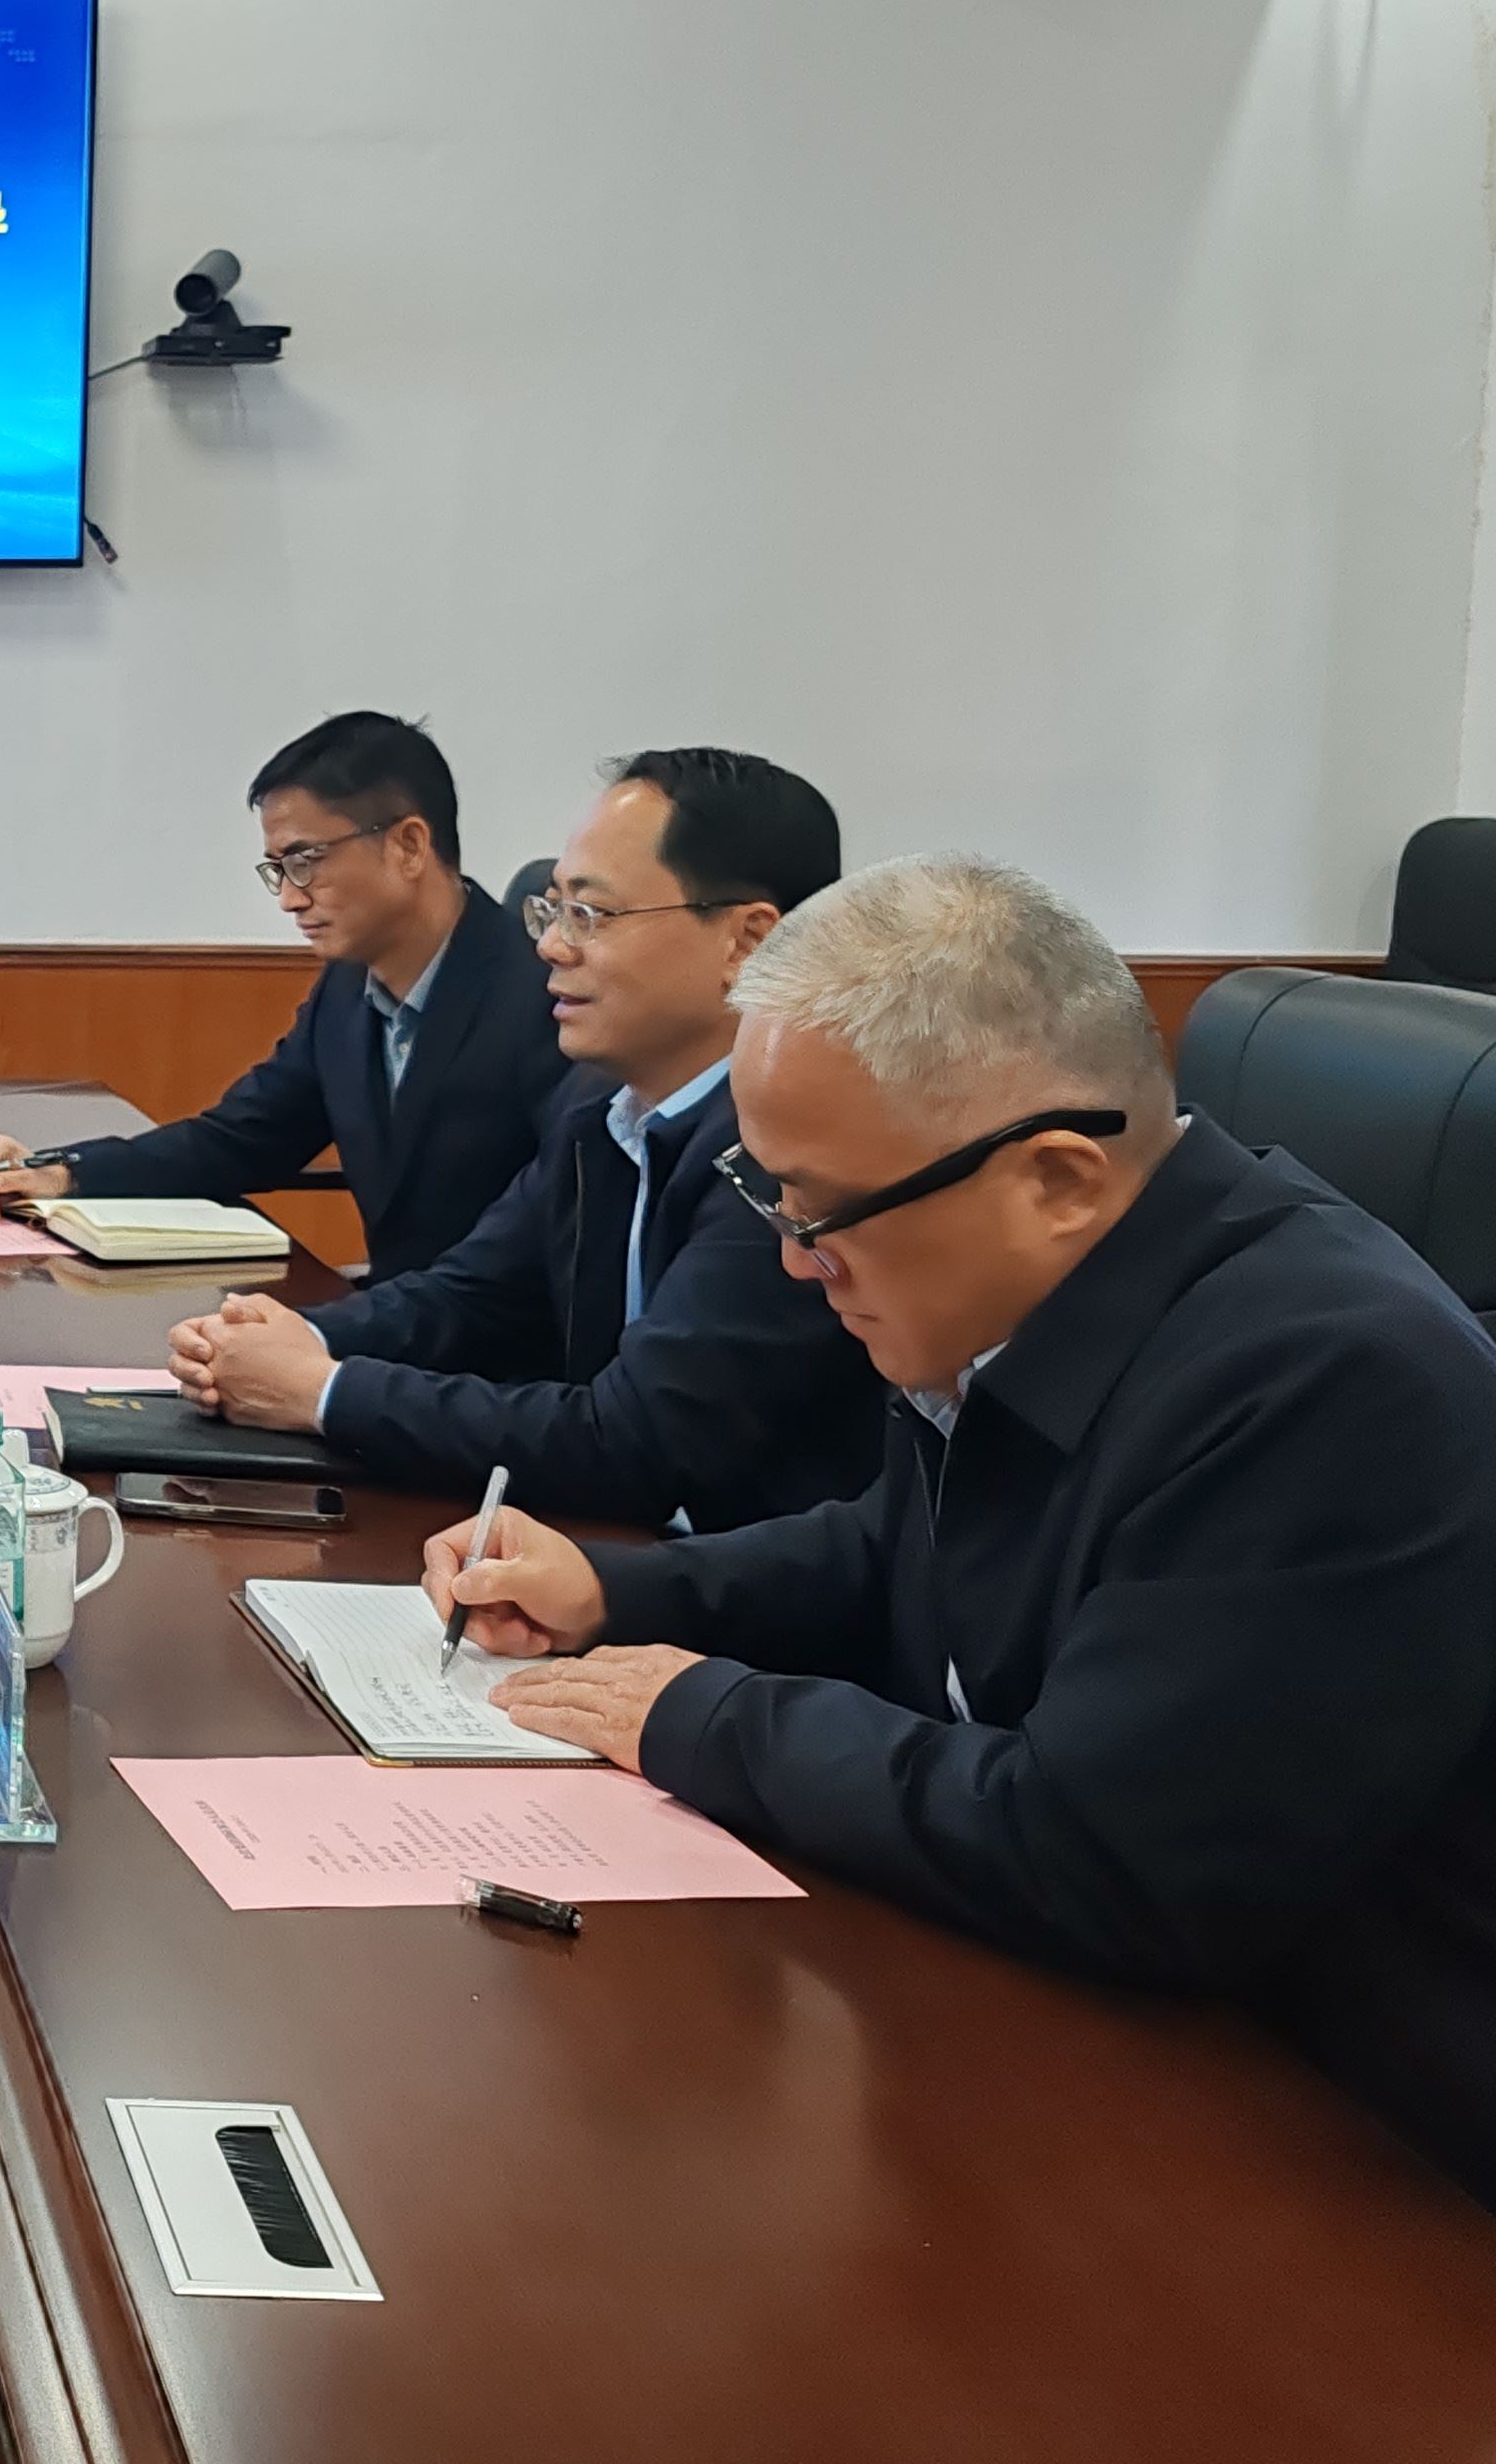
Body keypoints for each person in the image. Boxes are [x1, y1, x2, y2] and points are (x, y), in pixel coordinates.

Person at [436, 856, 1496, 2207]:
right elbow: (900, 1545)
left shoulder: (1327, 1381)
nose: (794, 1259)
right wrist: (616, 1590)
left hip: (1359, 2153)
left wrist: (706, 1715)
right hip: (1112, 2046)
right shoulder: (1024, 1291)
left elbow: (1096, 1854)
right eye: (773, 1197)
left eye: (821, 1211)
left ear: (1055, 1178)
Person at [170, 748, 879, 1531]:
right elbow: (471, 1293)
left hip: (746, 1578)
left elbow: (631, 1441)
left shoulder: (792, 1154)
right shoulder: (599, 1102)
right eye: (553, 911)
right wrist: (284, 1338)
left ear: (746, 943)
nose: (550, 946)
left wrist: (322, 1392)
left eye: (591, 915)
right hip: (611, 1550)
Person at [0, 711, 563, 1280]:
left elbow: (534, 1257)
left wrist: (328, 1335)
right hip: (395, 1325)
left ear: (407, 846)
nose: (289, 899)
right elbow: (241, 1139)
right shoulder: (347, 988)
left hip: (490, 1342)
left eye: (305, 862)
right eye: (278, 869)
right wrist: (63, 1174)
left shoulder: (547, 1000)